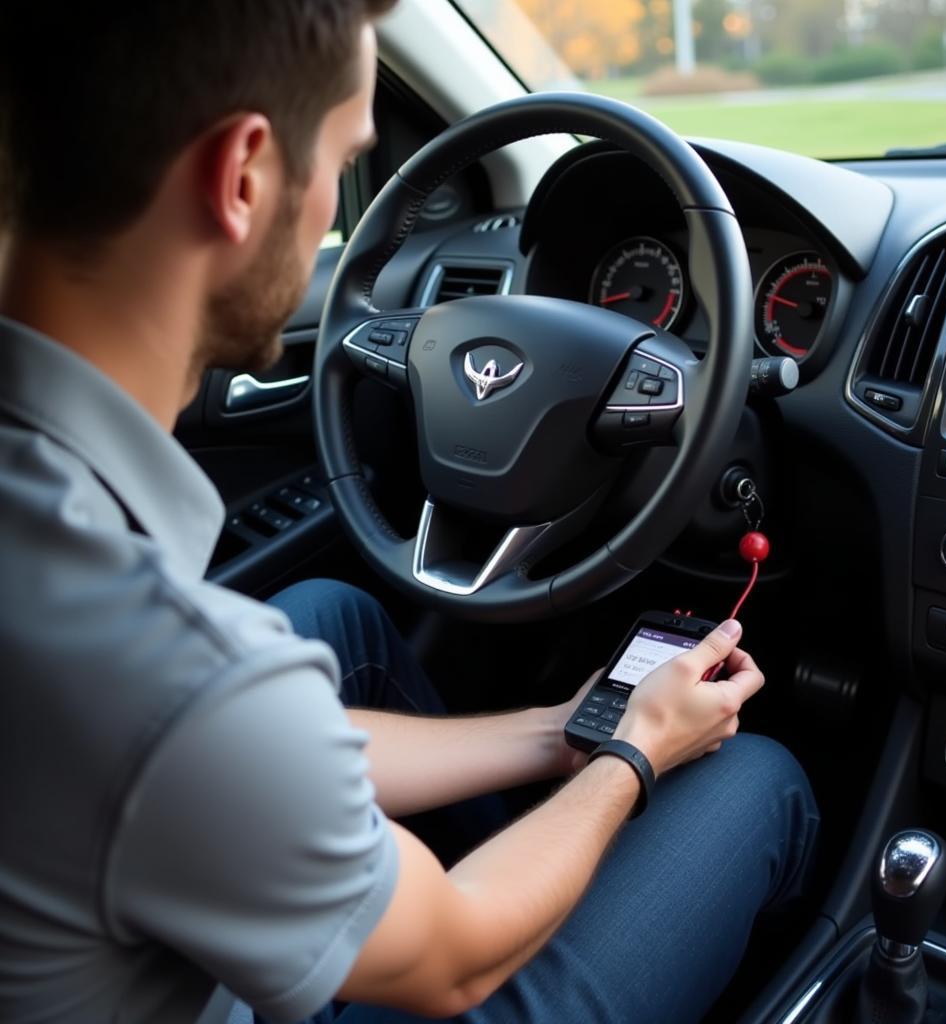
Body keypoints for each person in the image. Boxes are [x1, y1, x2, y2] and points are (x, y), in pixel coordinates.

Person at [0, 3, 819, 1022]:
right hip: (379, 971)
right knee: (755, 780)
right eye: (344, 166)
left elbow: (235, 741)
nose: (329, 233)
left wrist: (559, 729)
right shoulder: (159, 672)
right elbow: (454, 960)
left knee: (335, 614)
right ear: (244, 178)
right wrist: (631, 755)